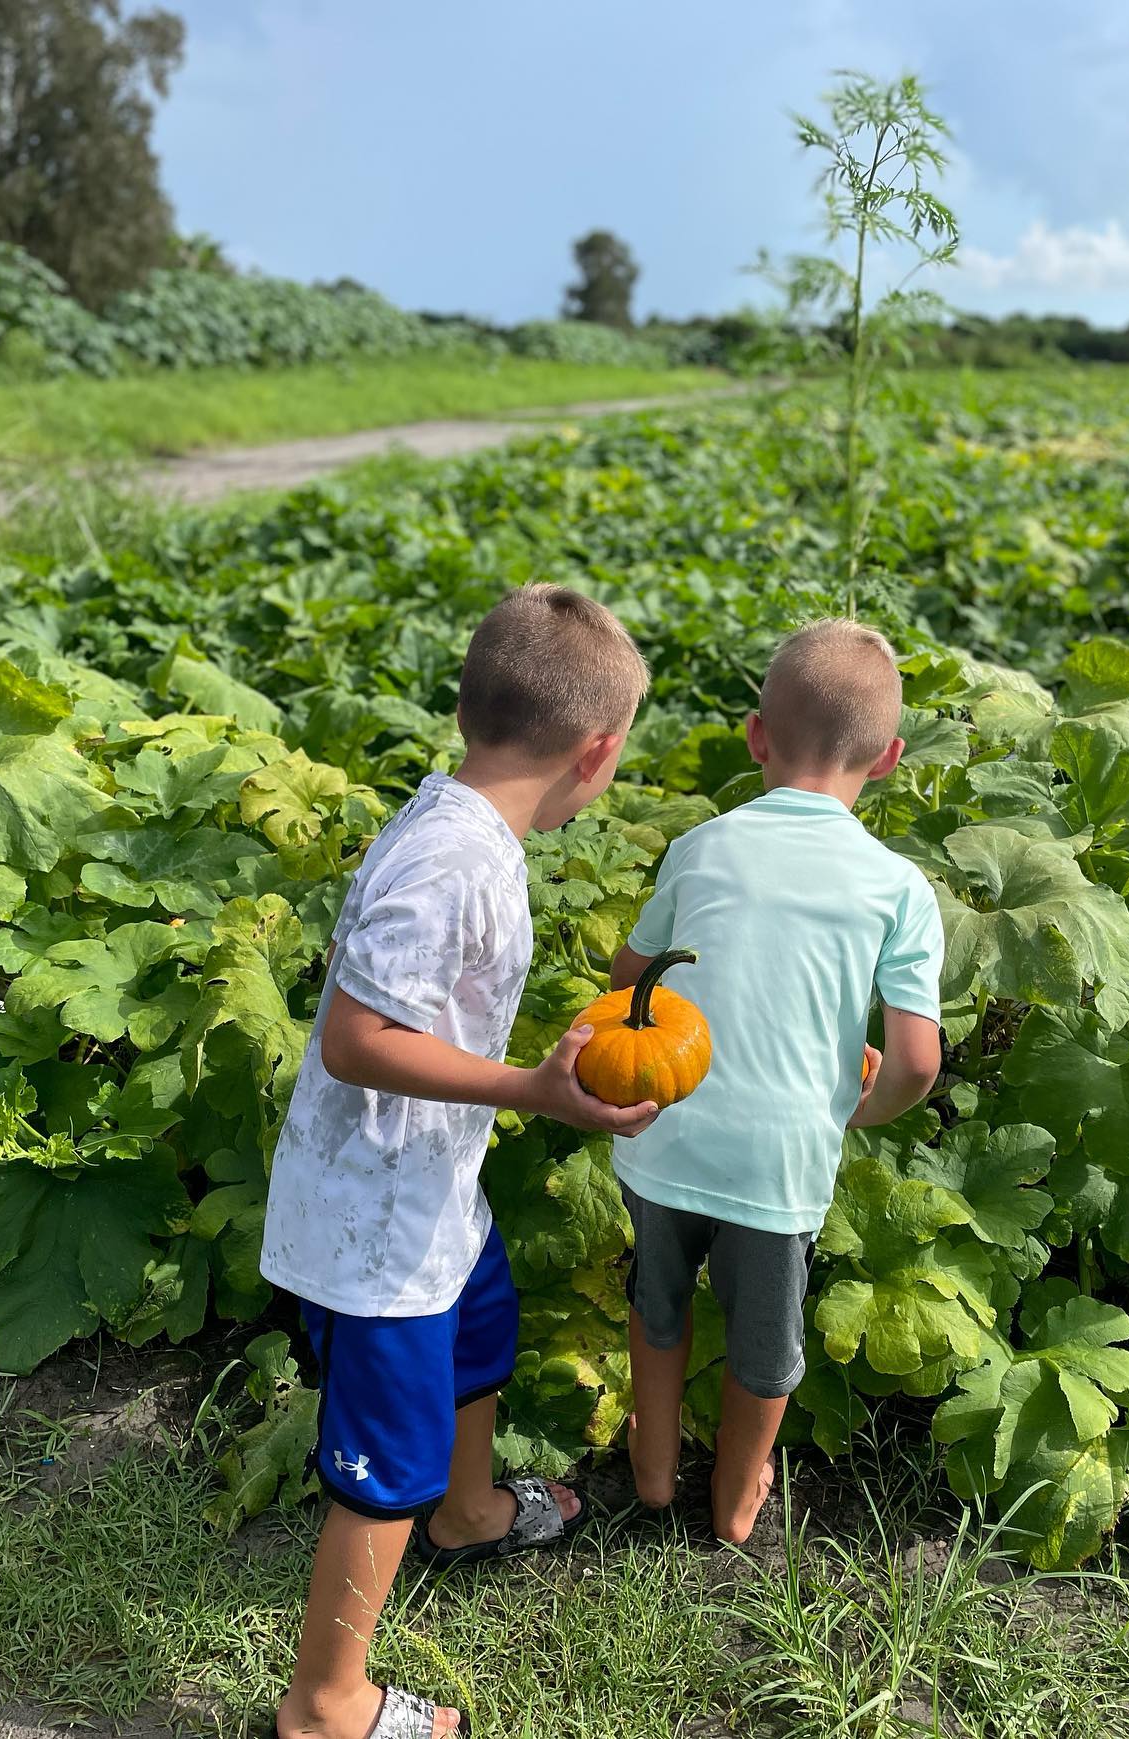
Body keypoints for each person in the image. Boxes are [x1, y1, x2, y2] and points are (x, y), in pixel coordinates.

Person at [261, 584, 658, 1739]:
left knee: (481, 1327)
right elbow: (356, 1037)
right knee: (383, 1462)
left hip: (426, 1186)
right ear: (599, 753)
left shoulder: (472, 830)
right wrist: (534, 1087)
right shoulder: (453, 864)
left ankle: (470, 1509)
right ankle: (325, 1701)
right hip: (377, 1225)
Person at [609, 618, 944, 1545]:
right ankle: (735, 1491)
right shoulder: (898, 886)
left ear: (756, 735)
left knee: (657, 1299)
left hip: (665, 1128)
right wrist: (860, 1107)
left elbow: (630, 978)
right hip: (782, 1159)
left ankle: (652, 1466)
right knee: (766, 1342)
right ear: (889, 759)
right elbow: (917, 1060)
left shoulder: (701, 845)